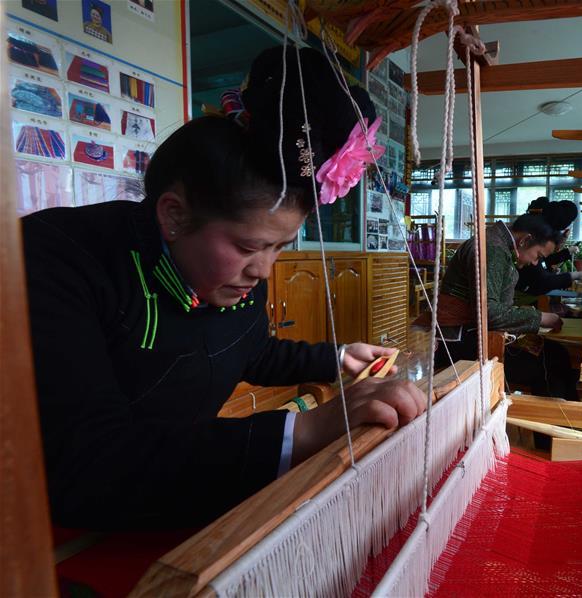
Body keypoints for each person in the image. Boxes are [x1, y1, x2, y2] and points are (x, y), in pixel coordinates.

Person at [21, 46, 426, 530]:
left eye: (280, 247)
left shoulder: (230, 276)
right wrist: (305, 430)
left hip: (171, 494)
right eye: (250, 245)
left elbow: (247, 349)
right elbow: (91, 458)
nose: (263, 270)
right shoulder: (57, 260)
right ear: (173, 215)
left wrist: (337, 358)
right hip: (61, 527)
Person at [425, 215, 580, 401]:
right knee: (548, 368)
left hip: (472, 335)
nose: (535, 263)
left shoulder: (497, 244)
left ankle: (569, 421)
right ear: (525, 240)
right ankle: (554, 424)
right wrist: (540, 318)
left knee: (558, 354)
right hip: (461, 344)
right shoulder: (493, 249)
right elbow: (488, 313)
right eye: (538, 256)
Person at [516, 197, 582, 296]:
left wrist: (567, 252)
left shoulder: (537, 241)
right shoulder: (536, 236)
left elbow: (545, 261)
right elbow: (543, 280)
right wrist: (575, 275)